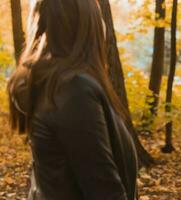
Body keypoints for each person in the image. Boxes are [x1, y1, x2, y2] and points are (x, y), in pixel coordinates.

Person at [7, 0, 138, 199]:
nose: (103, 24)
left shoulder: (54, 85)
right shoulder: (73, 90)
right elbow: (105, 192)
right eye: (98, 16)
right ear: (84, 26)